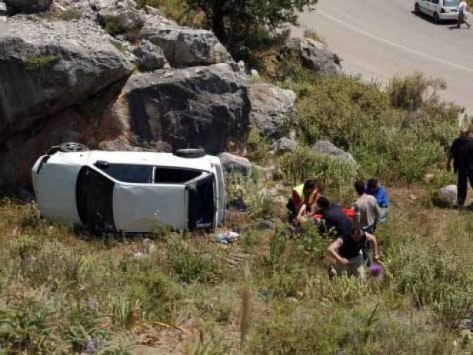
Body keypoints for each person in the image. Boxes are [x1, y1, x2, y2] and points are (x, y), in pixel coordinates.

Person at [354, 180, 380, 266]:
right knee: (369, 242)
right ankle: (372, 257)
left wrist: (356, 231)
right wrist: (375, 223)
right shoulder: (372, 198)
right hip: (371, 225)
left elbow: (357, 221)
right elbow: (378, 213)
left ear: (356, 190)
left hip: (362, 229)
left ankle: (369, 265)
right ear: (365, 188)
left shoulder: (357, 203)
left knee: (364, 248)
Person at [447, 128, 472, 207]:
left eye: (463, 133)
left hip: (471, 167)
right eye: (460, 133)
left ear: (467, 134)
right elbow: (451, 153)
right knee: (461, 186)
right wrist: (448, 163)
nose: (461, 135)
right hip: (461, 167)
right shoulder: (456, 142)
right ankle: (460, 203)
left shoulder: (472, 142)